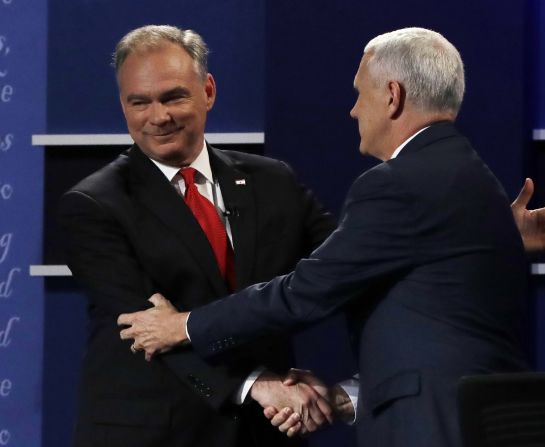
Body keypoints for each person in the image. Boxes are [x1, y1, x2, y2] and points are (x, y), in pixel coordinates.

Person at [118, 27, 545, 446]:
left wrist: (182, 326)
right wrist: (345, 397)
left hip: (431, 426)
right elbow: (434, 310)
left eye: (359, 93)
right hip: (474, 415)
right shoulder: (471, 176)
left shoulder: (396, 183)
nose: (351, 109)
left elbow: (306, 292)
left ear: (392, 96)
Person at [58, 25, 337, 447]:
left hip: (267, 430)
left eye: (173, 96)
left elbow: (339, 267)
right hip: (156, 432)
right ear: (123, 106)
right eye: (140, 102)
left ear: (207, 91)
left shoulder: (272, 181)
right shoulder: (94, 205)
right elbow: (147, 332)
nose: (159, 116)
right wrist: (256, 383)